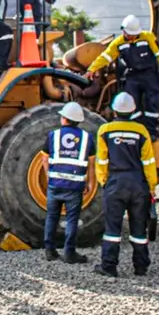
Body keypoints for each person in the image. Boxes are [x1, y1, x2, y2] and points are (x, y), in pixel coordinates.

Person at [93, 91, 158, 278]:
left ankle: (109, 266)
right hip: (138, 184)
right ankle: (140, 267)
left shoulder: (105, 131)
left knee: (112, 229)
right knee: (138, 229)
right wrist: (151, 187)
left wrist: (104, 181)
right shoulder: (141, 131)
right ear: (133, 110)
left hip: (115, 182)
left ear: (114, 110)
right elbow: (148, 162)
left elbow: (101, 161)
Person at [85, 15, 159, 139]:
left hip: (150, 75)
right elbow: (106, 57)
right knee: (131, 102)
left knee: (152, 103)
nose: (132, 36)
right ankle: (136, 129)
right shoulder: (119, 43)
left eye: (134, 34)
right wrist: (92, 69)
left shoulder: (147, 37)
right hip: (133, 75)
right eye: (129, 34)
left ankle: (151, 132)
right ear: (123, 30)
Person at [43, 102, 94, 265]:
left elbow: (44, 158)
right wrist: (90, 182)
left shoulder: (53, 135)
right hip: (75, 186)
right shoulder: (87, 138)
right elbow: (91, 163)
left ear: (65, 119)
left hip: (55, 184)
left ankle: (49, 251)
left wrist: (48, 176)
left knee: (52, 216)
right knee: (72, 219)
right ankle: (69, 253)